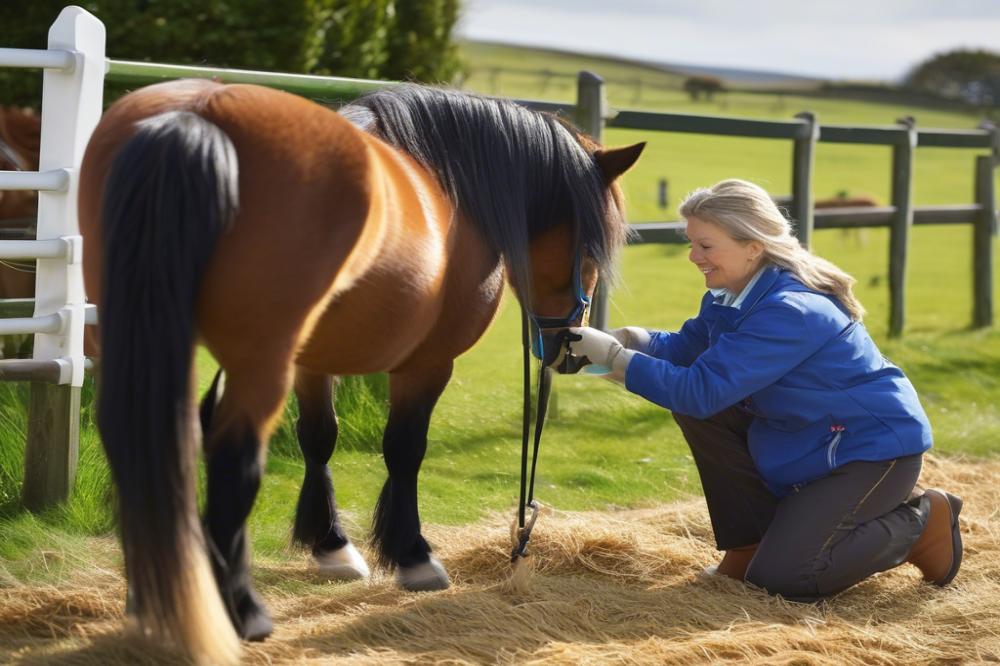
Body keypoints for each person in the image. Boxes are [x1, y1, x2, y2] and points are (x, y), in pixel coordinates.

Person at [566, 178, 962, 601]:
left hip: (870, 452)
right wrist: (625, 341)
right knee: (699, 406)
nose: (693, 256)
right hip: (815, 440)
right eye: (692, 244)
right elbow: (686, 350)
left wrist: (613, 360)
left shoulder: (791, 311)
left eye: (705, 245)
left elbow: (701, 389)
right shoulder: (731, 295)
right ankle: (748, 544)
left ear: (752, 246)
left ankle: (921, 522)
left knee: (787, 579)